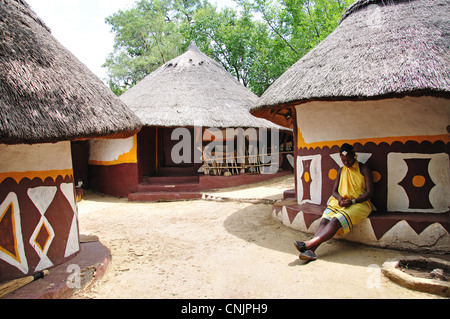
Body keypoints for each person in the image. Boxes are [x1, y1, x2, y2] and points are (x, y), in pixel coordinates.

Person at [294, 143, 374, 261]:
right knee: (324, 221)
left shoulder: (364, 169)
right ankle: (310, 250)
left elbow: (370, 193)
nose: (346, 163)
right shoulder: (341, 170)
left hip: (358, 204)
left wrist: (352, 201)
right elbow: (334, 191)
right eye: (343, 160)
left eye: (349, 159)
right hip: (339, 202)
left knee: (336, 220)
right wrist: (340, 199)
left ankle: (307, 244)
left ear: (354, 155)